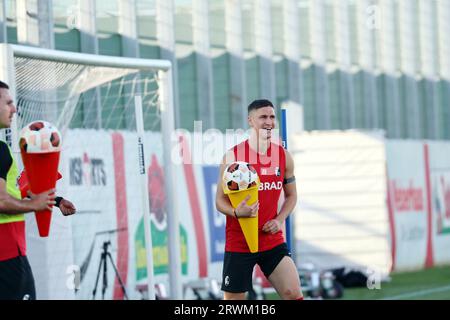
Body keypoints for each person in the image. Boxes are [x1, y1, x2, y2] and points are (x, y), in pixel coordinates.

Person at [215, 99, 303, 300]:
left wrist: (280, 219)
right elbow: (219, 201)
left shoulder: (284, 156)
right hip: (240, 242)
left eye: (272, 117)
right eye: (263, 117)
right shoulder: (233, 157)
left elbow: (292, 196)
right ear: (250, 120)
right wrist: (238, 212)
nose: (269, 121)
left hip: (272, 240)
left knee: (293, 293)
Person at [0, 80, 76, 300]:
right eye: (8, 103)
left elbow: (13, 190)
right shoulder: (0, 150)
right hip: (7, 258)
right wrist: (35, 205)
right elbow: (2, 201)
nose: (14, 109)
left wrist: (55, 199)